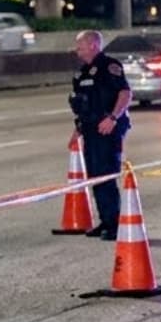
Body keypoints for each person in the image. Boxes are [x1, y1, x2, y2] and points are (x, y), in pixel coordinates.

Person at [69, 30, 132, 239]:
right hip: (90, 130)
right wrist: (77, 130)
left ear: (93, 45)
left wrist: (113, 118)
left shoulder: (109, 67)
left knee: (106, 174)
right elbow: (83, 105)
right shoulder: (81, 73)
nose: (76, 51)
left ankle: (114, 224)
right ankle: (105, 221)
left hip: (109, 128)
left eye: (80, 46)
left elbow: (125, 93)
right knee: (95, 177)